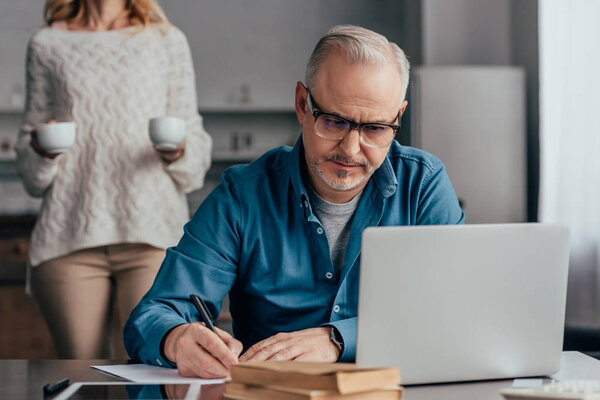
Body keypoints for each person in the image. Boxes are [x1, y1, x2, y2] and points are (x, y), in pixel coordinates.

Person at [124, 24, 464, 377]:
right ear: (303, 104)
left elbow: (456, 310)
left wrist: (338, 340)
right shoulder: (244, 195)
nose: (350, 150)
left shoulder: (422, 184)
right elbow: (153, 315)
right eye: (333, 122)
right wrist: (177, 339)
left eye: (375, 129)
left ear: (398, 117)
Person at [15, 0, 212, 359]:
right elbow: (32, 175)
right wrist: (42, 150)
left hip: (153, 238)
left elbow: (196, 156)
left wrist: (178, 151)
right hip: (68, 237)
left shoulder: (166, 40)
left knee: (150, 368)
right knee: (80, 376)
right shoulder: (47, 43)